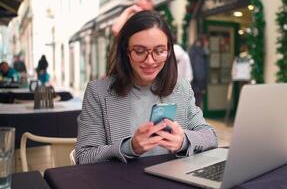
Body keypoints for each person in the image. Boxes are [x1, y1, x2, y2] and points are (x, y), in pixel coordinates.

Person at [75, 11, 218, 164]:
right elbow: (85, 156)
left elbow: (210, 136)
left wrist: (184, 141)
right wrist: (129, 147)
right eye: (139, 51)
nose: (150, 61)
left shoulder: (181, 88)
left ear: (169, 51)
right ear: (126, 51)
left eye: (159, 51)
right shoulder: (98, 92)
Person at [188, 34, 209, 108]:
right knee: (196, 109)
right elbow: (199, 71)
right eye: (207, 41)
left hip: (191, 85)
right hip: (197, 86)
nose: (208, 44)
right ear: (203, 42)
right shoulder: (199, 53)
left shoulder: (192, 50)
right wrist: (202, 86)